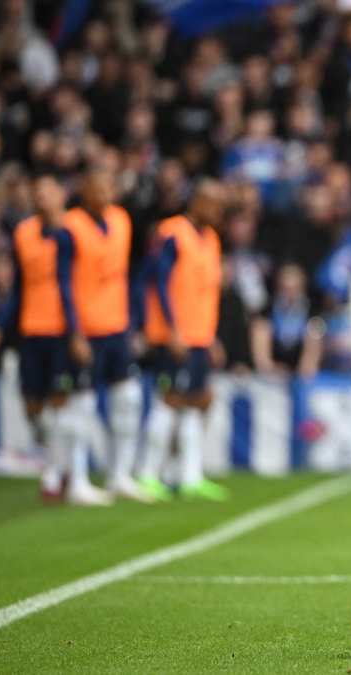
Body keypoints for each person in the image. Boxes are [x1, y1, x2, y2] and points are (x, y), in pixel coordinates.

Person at [0, 174, 110, 506]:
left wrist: (76, 331)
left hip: (62, 332)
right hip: (31, 330)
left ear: (61, 197)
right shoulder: (23, 234)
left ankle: (57, 476)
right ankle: (59, 464)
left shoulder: (71, 235)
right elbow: (21, 288)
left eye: (48, 191)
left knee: (62, 402)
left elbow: (72, 287)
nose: (42, 197)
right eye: (37, 191)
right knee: (33, 409)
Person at [135, 178, 228, 501]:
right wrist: (171, 329)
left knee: (198, 399)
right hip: (174, 335)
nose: (219, 211)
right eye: (215, 204)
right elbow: (157, 283)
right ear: (199, 201)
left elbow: (204, 292)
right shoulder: (171, 234)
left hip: (199, 334)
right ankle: (147, 473)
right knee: (171, 398)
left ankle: (189, 475)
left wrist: (211, 336)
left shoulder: (212, 239)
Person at [62, 166, 151, 502]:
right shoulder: (71, 226)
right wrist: (74, 331)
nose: (104, 192)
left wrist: (132, 322)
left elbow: (123, 276)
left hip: (116, 327)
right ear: (84, 191)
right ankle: (77, 480)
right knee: (81, 403)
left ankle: (120, 475)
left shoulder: (122, 221)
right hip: (86, 329)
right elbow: (64, 283)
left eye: (109, 185)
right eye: (97, 186)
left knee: (129, 397)